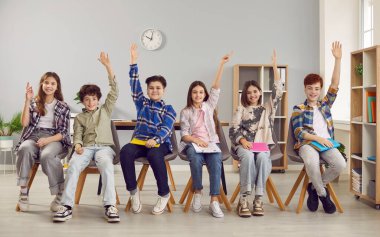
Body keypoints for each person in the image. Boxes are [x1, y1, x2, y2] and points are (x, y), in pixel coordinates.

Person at [53, 52, 120, 222]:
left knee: (106, 165)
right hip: (86, 148)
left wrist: (108, 66)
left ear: (98, 100)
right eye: (87, 99)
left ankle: (110, 206)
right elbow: (78, 135)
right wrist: (77, 145)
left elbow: (115, 89)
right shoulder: (80, 118)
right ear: (83, 101)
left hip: (104, 148)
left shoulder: (105, 110)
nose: (91, 102)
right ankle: (66, 206)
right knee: (74, 164)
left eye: (94, 99)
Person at [120, 43, 176, 215]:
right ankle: (133, 192)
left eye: (158, 88)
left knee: (153, 154)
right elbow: (134, 84)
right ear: (147, 90)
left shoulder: (169, 109)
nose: (154, 90)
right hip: (140, 142)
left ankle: (164, 193)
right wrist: (133, 62)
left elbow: (166, 129)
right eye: (151, 88)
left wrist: (156, 140)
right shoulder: (142, 103)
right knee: (125, 151)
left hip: (160, 144)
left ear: (163, 90)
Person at [291, 41, 345, 214]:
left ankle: (313, 188)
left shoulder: (325, 104)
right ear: (305, 89)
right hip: (308, 144)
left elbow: (335, 84)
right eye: (310, 88)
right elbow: (299, 132)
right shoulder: (298, 108)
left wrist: (338, 59)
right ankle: (323, 194)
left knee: (340, 164)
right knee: (312, 163)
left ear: (320, 89)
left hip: (326, 143)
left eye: (316, 89)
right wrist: (318, 138)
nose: (313, 92)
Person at [229, 50, 283, 217]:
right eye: (249, 92)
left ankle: (258, 198)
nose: (252, 95)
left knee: (262, 158)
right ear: (245, 95)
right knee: (247, 157)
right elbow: (233, 129)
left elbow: (278, 92)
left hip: (261, 146)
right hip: (244, 145)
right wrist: (242, 140)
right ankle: (244, 197)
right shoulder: (241, 109)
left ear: (260, 92)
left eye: (255, 91)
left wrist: (274, 66)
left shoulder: (268, 108)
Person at [179, 53, 231, 218]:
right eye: (195, 92)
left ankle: (214, 200)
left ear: (205, 94)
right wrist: (196, 141)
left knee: (216, 162)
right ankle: (198, 192)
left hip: (211, 144)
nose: (198, 95)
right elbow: (184, 134)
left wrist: (221, 65)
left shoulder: (209, 106)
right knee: (195, 158)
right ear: (191, 94)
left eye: (201, 92)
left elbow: (216, 87)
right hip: (193, 144)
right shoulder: (186, 111)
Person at [16, 72, 71, 212]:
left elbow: (63, 133)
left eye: (53, 83)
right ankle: (23, 192)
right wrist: (27, 100)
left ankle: (60, 194)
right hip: (33, 136)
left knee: (47, 155)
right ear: (42, 84)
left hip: (53, 138)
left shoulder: (63, 106)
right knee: (24, 148)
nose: (49, 86)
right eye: (46, 83)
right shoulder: (34, 102)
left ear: (57, 87)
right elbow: (24, 123)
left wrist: (47, 140)